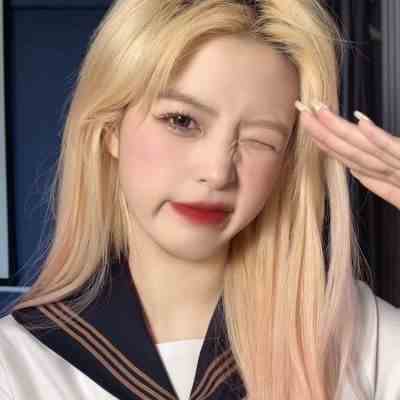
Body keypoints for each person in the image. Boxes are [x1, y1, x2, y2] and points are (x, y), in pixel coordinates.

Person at [0, 0, 399, 399]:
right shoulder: (16, 363)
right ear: (111, 129)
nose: (218, 172)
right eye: (182, 121)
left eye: (261, 140)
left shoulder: (361, 338)